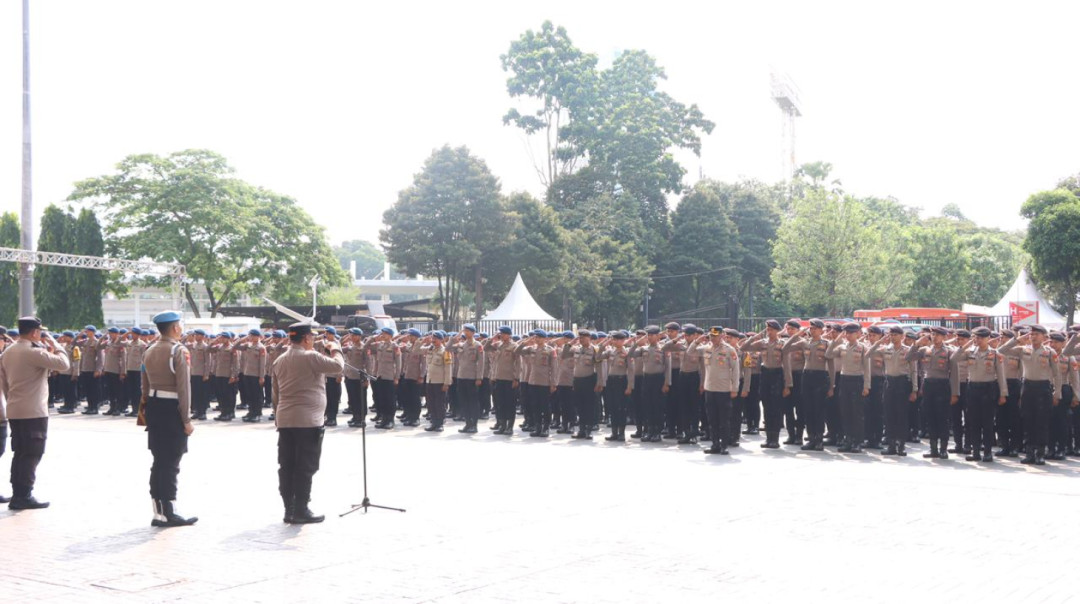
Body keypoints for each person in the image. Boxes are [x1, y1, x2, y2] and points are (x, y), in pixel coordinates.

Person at [273, 321, 344, 524]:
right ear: (306, 338)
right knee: (305, 467)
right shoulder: (310, 356)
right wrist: (335, 348)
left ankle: (289, 509)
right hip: (308, 421)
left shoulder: (279, 360)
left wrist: (279, 417)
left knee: (287, 465)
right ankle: (301, 510)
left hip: (286, 420)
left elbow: (275, 393)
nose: (313, 340)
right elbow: (338, 367)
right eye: (312, 337)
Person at [0, 317, 71, 509]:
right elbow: (64, 364)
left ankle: (18, 493)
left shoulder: (8, 351)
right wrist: (56, 344)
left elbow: (4, 384)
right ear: (34, 332)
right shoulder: (33, 352)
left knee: (20, 452)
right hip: (33, 411)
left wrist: (13, 400)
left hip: (15, 408)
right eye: (40, 332)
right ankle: (23, 495)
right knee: (32, 453)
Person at [139, 311, 198, 527]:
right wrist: (186, 419)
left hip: (154, 407)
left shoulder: (149, 349)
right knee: (171, 462)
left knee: (159, 461)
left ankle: (159, 511)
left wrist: (146, 410)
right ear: (174, 328)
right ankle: (170, 512)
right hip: (172, 409)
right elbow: (184, 388)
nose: (181, 329)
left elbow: (144, 385)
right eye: (179, 325)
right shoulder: (178, 350)